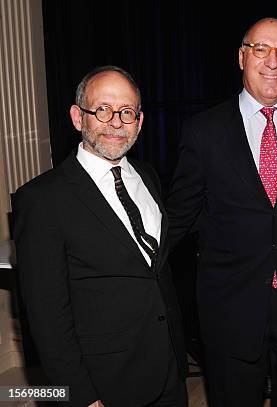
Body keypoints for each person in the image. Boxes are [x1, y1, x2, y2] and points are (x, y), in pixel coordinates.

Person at [165, 18, 277, 406]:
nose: (273, 62)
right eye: (262, 49)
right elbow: (178, 216)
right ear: (242, 57)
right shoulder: (203, 131)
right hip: (230, 313)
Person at [12, 66, 187, 406]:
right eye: (103, 110)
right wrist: (81, 397)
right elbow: (47, 317)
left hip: (168, 371)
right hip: (105, 385)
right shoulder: (41, 200)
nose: (116, 122)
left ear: (140, 121)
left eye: (127, 112)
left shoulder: (147, 177)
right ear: (78, 117)